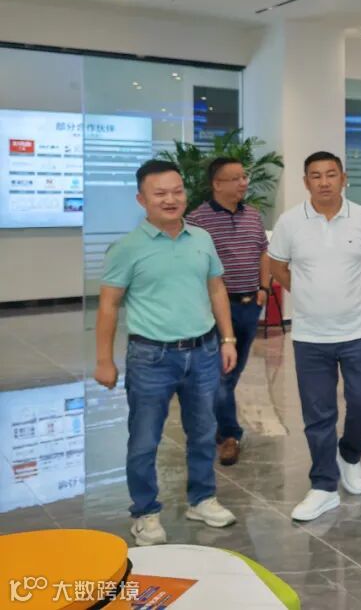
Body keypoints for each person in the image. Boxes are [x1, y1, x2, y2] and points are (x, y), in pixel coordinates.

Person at [94, 159, 239, 546]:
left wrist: (227, 339)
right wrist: (104, 360)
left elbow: (216, 289)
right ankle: (145, 512)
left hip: (203, 352)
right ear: (141, 199)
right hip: (151, 358)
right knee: (144, 440)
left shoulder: (201, 239)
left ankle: (202, 499)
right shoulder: (126, 248)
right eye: (160, 193)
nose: (170, 199)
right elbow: (108, 305)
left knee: (203, 432)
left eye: (177, 191)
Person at [268, 151, 361, 522]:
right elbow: (278, 267)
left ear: (343, 178)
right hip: (310, 336)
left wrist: (346, 293)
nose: (324, 182)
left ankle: (350, 454)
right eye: (316, 176)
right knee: (318, 414)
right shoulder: (290, 222)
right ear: (306, 182)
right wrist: (309, 295)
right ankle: (323, 485)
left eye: (331, 174)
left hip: (358, 332)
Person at [186, 157, 271, 466]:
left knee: (232, 373)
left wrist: (264, 288)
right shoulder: (197, 220)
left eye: (244, 176)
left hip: (250, 306)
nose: (243, 183)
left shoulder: (253, 215)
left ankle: (212, 423)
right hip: (217, 309)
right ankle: (229, 435)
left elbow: (263, 252)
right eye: (235, 178)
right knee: (223, 373)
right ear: (216, 184)